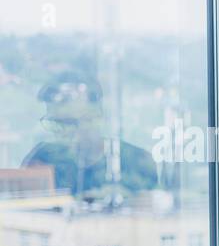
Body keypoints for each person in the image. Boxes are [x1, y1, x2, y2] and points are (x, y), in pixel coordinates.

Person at [22, 71, 159, 201]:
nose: (63, 133)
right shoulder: (42, 159)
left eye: (70, 123)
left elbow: (160, 213)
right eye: (55, 123)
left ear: (98, 117)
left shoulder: (136, 163)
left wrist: (127, 199)